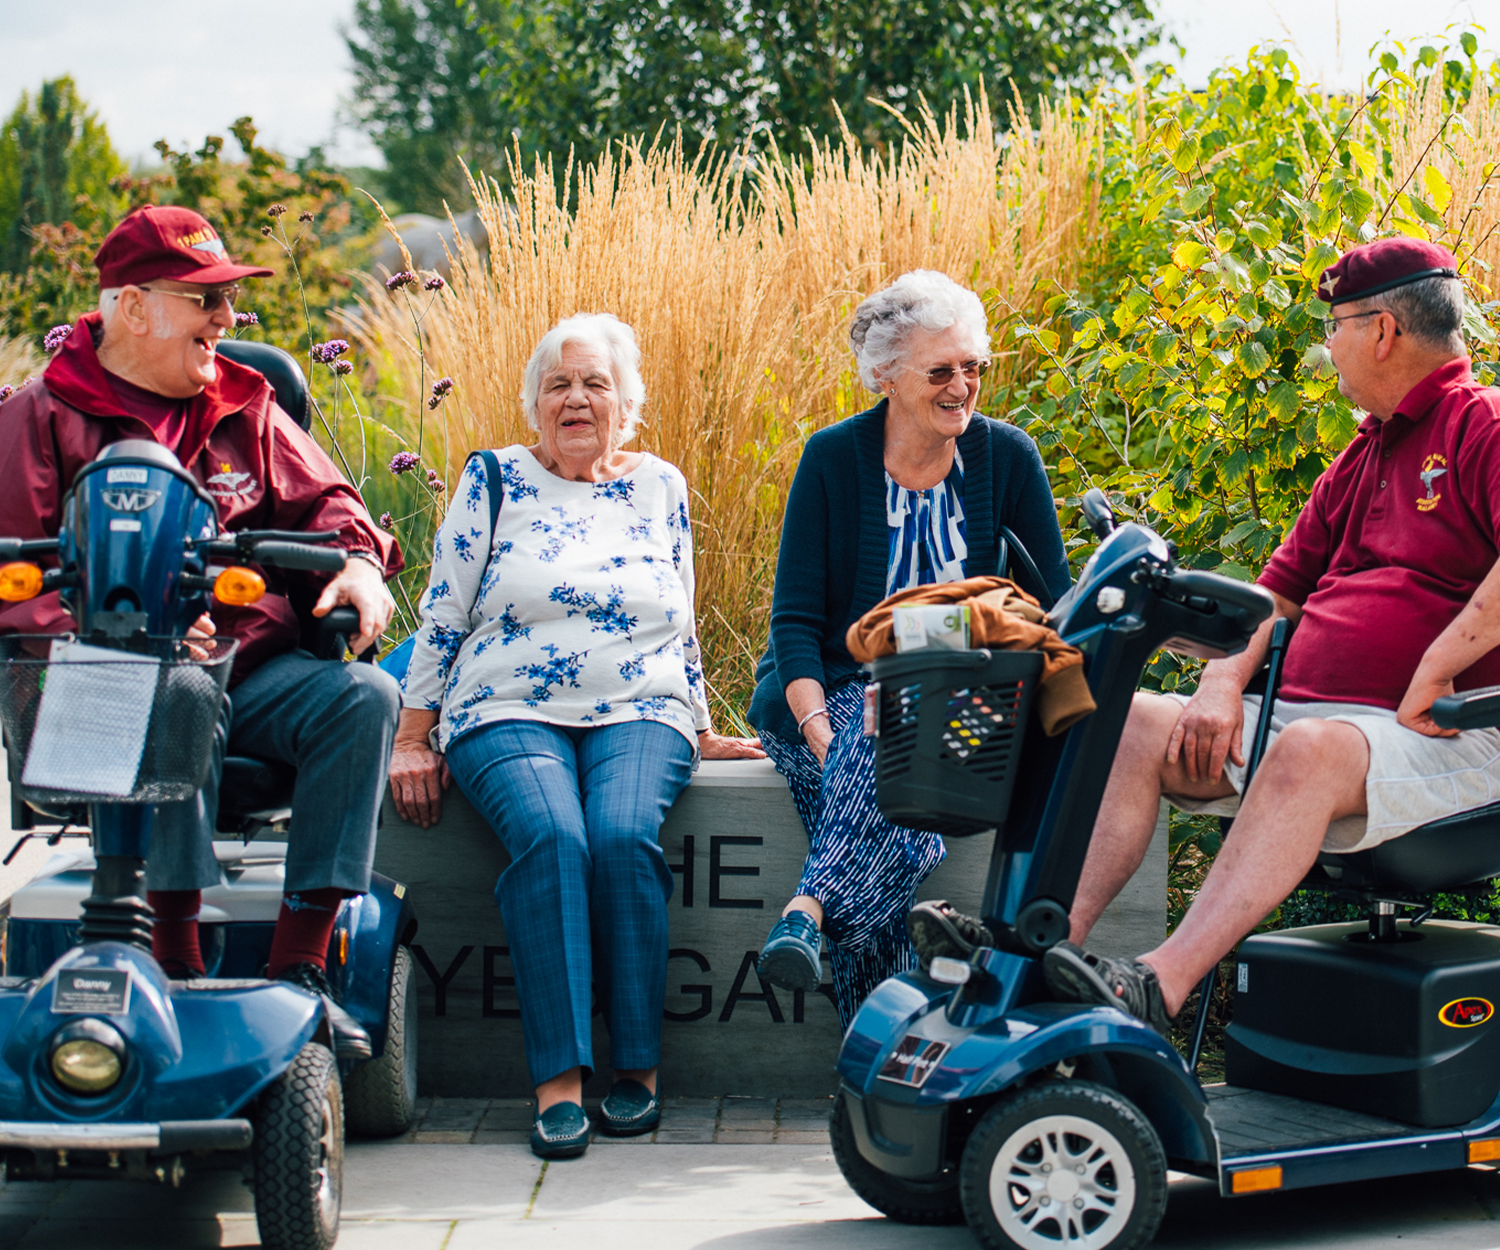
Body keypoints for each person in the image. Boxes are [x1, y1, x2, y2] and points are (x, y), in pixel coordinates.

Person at [920, 238, 1500, 1035]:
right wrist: (1221, 683)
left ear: (1384, 330)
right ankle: (1034, 955)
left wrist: (1436, 666)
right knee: (1131, 721)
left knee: (1308, 751)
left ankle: (1160, 983)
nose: (1327, 347)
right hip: (1323, 729)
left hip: (1449, 732)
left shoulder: (1482, 425)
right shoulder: (1364, 453)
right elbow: (1274, 596)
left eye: (1333, 327)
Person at [0, 205, 402, 1056]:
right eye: (204, 300)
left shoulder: (242, 402)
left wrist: (360, 563)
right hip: (101, 683)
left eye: (227, 300)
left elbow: (329, 504)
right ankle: (175, 960)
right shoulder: (39, 416)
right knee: (176, 688)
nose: (226, 318)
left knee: (364, 696)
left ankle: (301, 968)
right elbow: (15, 593)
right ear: (133, 307)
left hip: (251, 668)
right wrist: (104, 643)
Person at [388, 312, 761, 1161]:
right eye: (558, 385)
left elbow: (681, 618)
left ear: (627, 404)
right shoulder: (493, 479)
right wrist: (413, 734)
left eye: (596, 384)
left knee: (623, 836)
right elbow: (443, 613)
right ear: (535, 404)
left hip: (643, 707)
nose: (577, 399)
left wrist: (703, 724)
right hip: (505, 706)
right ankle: (558, 1082)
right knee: (554, 839)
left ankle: (638, 1068)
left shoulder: (660, 485)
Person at [749, 269, 1070, 1026]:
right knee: (894, 799)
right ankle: (886, 1053)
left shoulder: (1007, 457)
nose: (962, 386)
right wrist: (819, 728)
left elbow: (1051, 611)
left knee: (900, 718)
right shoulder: (832, 459)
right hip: (823, 695)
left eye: (972, 367)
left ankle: (808, 913)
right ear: (887, 376)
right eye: (940, 371)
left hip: (964, 697)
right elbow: (794, 623)